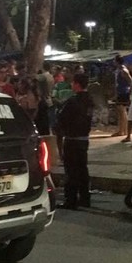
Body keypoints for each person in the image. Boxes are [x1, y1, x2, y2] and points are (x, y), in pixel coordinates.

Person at [55, 73, 94, 209]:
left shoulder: (72, 101)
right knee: (82, 169)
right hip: (84, 139)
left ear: (77, 84)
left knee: (71, 171)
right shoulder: (89, 100)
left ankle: (70, 200)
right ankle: (85, 198)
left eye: (73, 83)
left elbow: (61, 118)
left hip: (72, 139)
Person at [112, 55, 132, 139]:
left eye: (114, 61)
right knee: (120, 111)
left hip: (124, 92)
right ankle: (121, 130)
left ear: (117, 61)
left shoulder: (124, 70)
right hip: (120, 92)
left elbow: (131, 81)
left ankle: (123, 130)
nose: (113, 62)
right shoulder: (119, 70)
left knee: (122, 111)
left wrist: (130, 92)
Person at [36, 64, 55, 135]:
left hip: (44, 98)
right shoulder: (51, 76)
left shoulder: (42, 77)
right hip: (49, 98)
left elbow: (34, 77)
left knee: (43, 119)